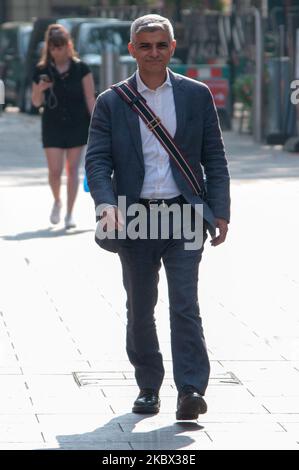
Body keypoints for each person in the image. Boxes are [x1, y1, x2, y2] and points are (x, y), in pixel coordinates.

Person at [85, 14, 230, 420]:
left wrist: (220, 210)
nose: (153, 52)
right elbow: (96, 160)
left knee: (185, 305)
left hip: (184, 213)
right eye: (145, 45)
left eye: (160, 45)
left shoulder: (195, 95)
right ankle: (148, 386)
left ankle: (190, 390)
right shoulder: (111, 101)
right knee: (141, 306)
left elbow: (214, 157)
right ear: (132, 49)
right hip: (134, 218)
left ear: (172, 47)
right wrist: (106, 203)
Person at [32, 24, 95, 229]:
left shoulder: (81, 68)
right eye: (53, 48)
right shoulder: (42, 71)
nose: (57, 51)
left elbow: (89, 98)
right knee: (55, 171)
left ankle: (69, 213)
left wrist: (99, 125)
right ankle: (57, 201)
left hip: (78, 124)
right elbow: (35, 103)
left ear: (69, 46)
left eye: (61, 47)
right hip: (52, 125)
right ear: (49, 49)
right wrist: (40, 90)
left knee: (72, 168)